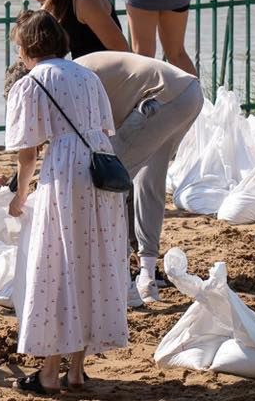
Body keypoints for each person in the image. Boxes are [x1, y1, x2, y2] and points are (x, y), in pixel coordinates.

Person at [5, 10, 128, 394]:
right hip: (98, 165)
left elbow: (27, 153)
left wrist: (20, 195)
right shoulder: (88, 76)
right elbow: (105, 126)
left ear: (26, 48)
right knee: (93, 261)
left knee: (57, 263)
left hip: (65, 171)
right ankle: (76, 369)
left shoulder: (32, 84)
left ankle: (48, 371)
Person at [74, 51, 202, 305]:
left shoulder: (69, 81)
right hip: (189, 93)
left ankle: (121, 280)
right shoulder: (75, 70)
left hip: (160, 99)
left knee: (110, 185)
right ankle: (146, 276)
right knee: (149, 181)